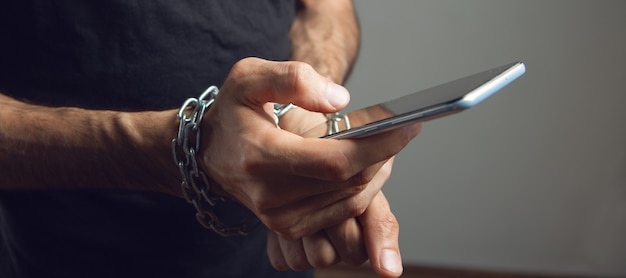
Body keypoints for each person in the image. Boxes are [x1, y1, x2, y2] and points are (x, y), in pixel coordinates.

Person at [0, 1, 421, 277]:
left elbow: (326, 10)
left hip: (270, 251)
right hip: (61, 254)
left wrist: (301, 101)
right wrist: (186, 149)